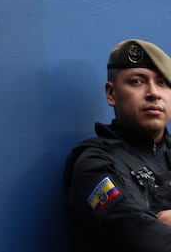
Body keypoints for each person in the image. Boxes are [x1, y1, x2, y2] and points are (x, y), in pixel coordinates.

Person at [64, 39, 171, 251]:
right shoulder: (94, 165)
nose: (153, 93)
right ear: (111, 94)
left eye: (162, 82)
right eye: (137, 82)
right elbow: (145, 240)